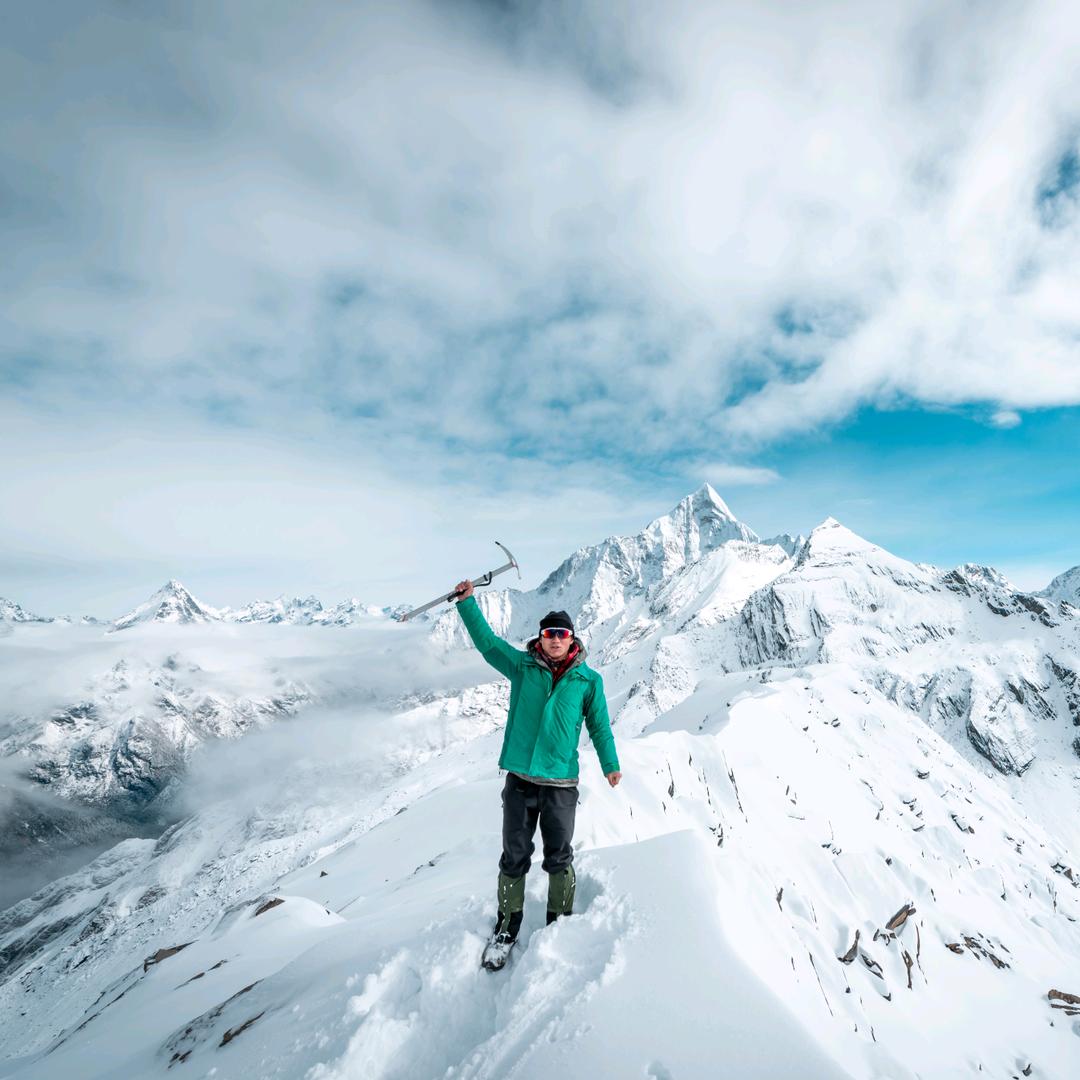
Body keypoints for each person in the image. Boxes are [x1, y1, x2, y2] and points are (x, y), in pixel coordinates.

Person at [452, 578, 622, 970]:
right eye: (549, 634)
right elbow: (489, 646)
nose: (555, 640)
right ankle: (507, 927)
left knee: (559, 857)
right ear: (541, 638)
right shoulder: (523, 667)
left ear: (572, 639)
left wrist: (610, 764)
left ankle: (559, 924)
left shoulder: (589, 681)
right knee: (514, 855)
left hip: (560, 784)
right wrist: (467, 604)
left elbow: (600, 726)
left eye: (562, 634)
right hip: (521, 780)